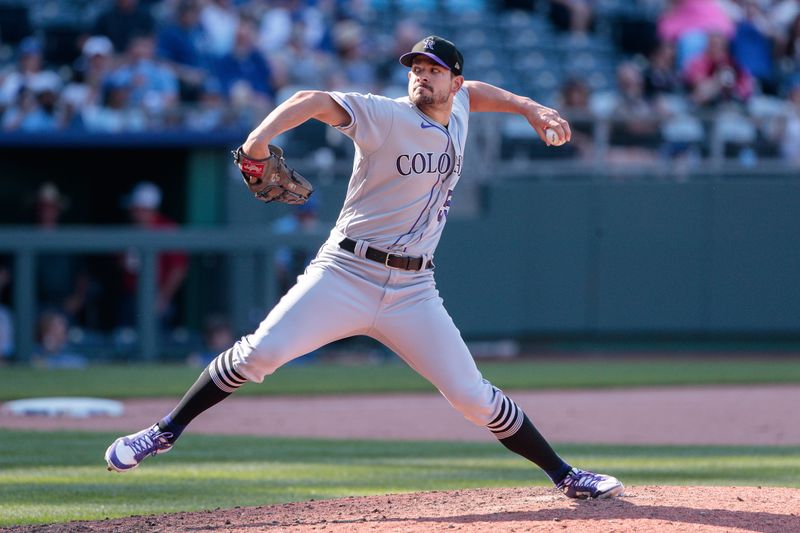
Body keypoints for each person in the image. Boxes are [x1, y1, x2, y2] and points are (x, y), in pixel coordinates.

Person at [105, 35, 624, 500]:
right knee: (259, 354)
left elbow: (478, 92)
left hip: (414, 289)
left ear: (453, 80)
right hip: (345, 274)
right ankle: (164, 431)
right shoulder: (385, 115)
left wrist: (530, 108)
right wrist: (257, 145)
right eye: (415, 68)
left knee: (473, 396)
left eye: (434, 69)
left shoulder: (461, 103)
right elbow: (308, 100)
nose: (422, 75)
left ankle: (565, 475)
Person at [117, 182, 189, 328]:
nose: (133, 212)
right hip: (132, 295)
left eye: (137, 209)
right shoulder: (132, 228)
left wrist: (163, 297)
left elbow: (179, 268)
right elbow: (122, 264)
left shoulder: (167, 229)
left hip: (157, 295)